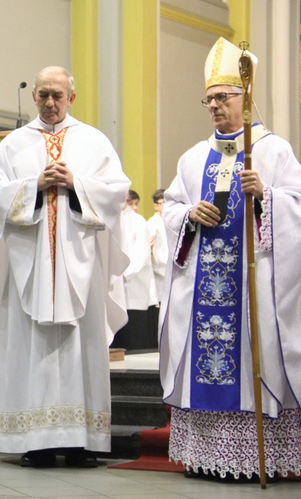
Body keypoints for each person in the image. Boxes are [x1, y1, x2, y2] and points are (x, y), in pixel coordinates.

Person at [160, 37, 301, 481]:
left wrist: (269, 197)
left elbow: (296, 202)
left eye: (224, 97)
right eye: (210, 99)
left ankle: (264, 457)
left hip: (253, 290)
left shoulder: (273, 151)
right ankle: (210, 456)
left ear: (246, 97)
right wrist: (187, 215)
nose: (216, 106)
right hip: (203, 288)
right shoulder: (192, 158)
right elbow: (170, 208)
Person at [0, 66, 130, 468]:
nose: (50, 103)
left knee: (82, 348)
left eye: (57, 96)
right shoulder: (12, 145)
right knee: (32, 348)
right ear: (34, 97)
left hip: (80, 268)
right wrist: (33, 186)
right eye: (43, 95)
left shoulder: (94, 142)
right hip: (30, 267)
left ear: (71, 98)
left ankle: (83, 441)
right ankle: (36, 440)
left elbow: (117, 194)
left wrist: (76, 184)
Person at [111, 190, 158, 351]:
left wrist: (121, 275)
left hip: (132, 286)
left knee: (133, 343)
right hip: (113, 289)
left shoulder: (137, 221)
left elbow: (142, 255)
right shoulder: (109, 218)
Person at [146, 188, 167, 300]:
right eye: (163, 203)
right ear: (155, 206)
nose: (167, 206)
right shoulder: (152, 223)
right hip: (160, 272)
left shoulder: (170, 221)